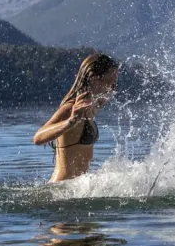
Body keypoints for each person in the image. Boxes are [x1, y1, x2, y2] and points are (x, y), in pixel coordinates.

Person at [33, 53, 119, 182]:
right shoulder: (70, 108)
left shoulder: (89, 107)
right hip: (60, 188)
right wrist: (71, 121)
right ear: (93, 79)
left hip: (75, 189)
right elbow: (38, 138)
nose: (113, 87)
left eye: (115, 82)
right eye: (109, 81)